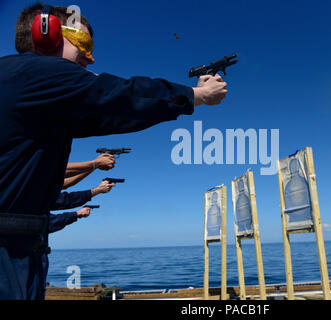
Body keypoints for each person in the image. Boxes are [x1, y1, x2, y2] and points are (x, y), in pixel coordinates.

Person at [0, 3, 227, 300]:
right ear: (47, 34)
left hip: (20, 245)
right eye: (83, 43)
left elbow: (117, 114)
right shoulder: (37, 72)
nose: (90, 56)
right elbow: (120, 93)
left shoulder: (26, 88)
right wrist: (195, 96)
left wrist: (183, 103)